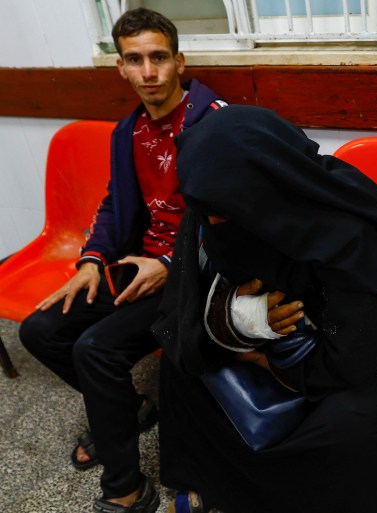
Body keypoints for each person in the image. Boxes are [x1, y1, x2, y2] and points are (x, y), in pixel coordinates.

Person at [151, 105, 377, 513]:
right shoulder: (214, 199)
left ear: (265, 193)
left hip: (373, 346)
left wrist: (264, 359)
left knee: (348, 428)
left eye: (224, 215)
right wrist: (235, 320)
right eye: (207, 214)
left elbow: (362, 347)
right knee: (181, 364)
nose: (211, 226)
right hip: (270, 335)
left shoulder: (354, 233)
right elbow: (187, 301)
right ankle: (213, 482)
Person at [19, 8, 225, 512]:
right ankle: (127, 408)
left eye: (158, 57)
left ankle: (127, 490)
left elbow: (238, 220)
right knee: (39, 331)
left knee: (96, 349)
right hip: (139, 265)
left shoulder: (218, 122)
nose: (149, 72)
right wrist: (91, 260)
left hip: (194, 278)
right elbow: (115, 203)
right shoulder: (127, 131)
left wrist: (172, 267)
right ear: (121, 68)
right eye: (135, 60)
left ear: (179, 61)